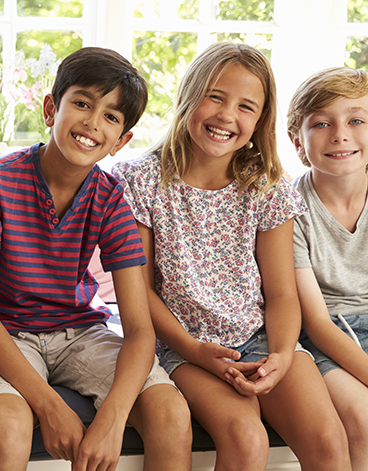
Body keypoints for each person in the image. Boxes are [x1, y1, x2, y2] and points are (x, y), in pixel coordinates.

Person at [113, 41, 352, 471]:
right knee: (246, 440)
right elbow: (141, 291)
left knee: (330, 442)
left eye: (246, 106)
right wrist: (194, 348)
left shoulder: (268, 186)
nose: (227, 116)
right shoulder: (140, 179)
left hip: (262, 339)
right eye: (215, 96)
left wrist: (280, 354)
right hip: (183, 346)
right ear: (189, 96)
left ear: (261, 120)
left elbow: (281, 294)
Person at [0, 46, 192, 471]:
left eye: (111, 117)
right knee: (8, 422)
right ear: (51, 108)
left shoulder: (111, 197)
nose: (91, 123)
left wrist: (113, 419)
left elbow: (139, 330)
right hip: (8, 335)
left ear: (121, 140)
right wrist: (49, 407)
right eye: (82, 103)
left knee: (170, 412)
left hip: (81, 332)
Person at [287, 67, 368, 469]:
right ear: (297, 143)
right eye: (321, 123)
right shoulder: (289, 209)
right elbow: (316, 323)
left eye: (356, 120)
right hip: (326, 337)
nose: (340, 134)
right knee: (362, 418)